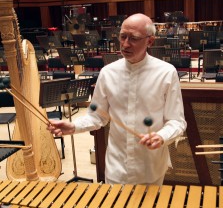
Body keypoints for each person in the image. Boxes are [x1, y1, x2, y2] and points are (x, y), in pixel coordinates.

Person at [47, 13, 187, 185]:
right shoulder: (108, 73)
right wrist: (74, 126)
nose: (125, 44)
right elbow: (97, 116)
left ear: (150, 41)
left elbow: (177, 121)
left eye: (133, 38)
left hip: (150, 167)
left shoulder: (166, 72)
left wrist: (161, 136)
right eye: (122, 37)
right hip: (115, 167)